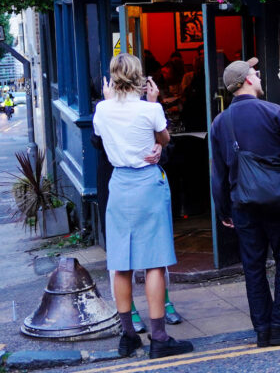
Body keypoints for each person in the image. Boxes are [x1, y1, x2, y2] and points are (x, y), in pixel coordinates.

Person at [93, 54, 193, 359]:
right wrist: (154, 103)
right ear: (139, 78)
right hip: (148, 183)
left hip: (119, 185)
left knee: (120, 262)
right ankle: (159, 338)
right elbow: (164, 137)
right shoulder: (150, 109)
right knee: (154, 262)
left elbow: (102, 135)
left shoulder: (101, 110)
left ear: (112, 78)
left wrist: (109, 100)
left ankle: (128, 337)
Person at [210, 57, 280, 348]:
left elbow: (218, 173)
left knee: (253, 267)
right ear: (247, 81)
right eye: (255, 72)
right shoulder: (273, 112)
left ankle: (263, 329)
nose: (258, 75)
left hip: (242, 203)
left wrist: (223, 210)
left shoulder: (220, 122)